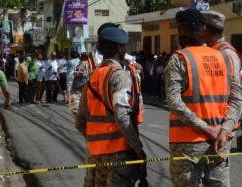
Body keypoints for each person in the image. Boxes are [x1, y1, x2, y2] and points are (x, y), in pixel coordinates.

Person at [164, 8, 241, 186]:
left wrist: (208, 130)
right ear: (202, 29)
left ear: (180, 31)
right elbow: (236, 100)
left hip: (188, 146)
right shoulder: (223, 58)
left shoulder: (179, 59)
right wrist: (223, 131)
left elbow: (174, 103)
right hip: (219, 144)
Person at [76, 26, 147, 186]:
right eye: (124, 46)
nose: (125, 49)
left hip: (95, 153)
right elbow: (122, 117)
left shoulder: (94, 76)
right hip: (118, 153)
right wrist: (138, 148)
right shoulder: (119, 76)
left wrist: (95, 140)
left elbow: (80, 120)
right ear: (118, 49)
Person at [202, 10, 242, 151]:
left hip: (221, 129)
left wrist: (224, 129)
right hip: (211, 128)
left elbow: (235, 97)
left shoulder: (226, 54)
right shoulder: (210, 50)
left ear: (205, 28)